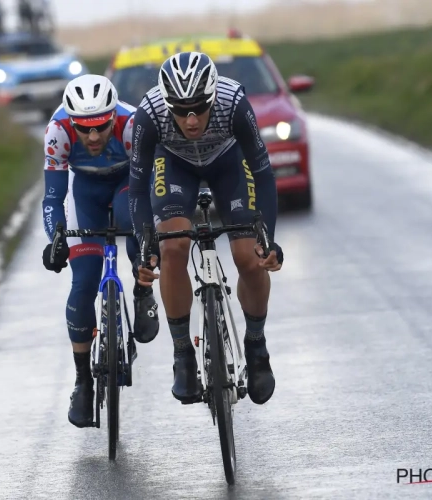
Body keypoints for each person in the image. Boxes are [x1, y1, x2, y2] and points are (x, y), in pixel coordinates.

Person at [129, 52, 283, 406]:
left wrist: (269, 238)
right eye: (181, 111)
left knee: (250, 256)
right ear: (168, 105)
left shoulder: (234, 103)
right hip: (175, 164)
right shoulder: (149, 114)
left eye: (200, 107)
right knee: (173, 248)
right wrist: (145, 243)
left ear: (213, 97)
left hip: (227, 163)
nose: (192, 119)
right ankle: (182, 353)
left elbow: (262, 173)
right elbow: (137, 187)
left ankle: (256, 345)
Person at [42, 74, 160, 428]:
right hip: (86, 193)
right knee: (83, 283)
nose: (93, 138)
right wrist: (56, 239)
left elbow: (147, 189)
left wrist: (148, 243)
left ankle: (143, 291)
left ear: (113, 118)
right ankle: (82, 381)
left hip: (128, 185)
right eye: (84, 129)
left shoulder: (132, 124)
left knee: (134, 226)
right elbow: (53, 197)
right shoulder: (58, 130)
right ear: (71, 122)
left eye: (100, 128)